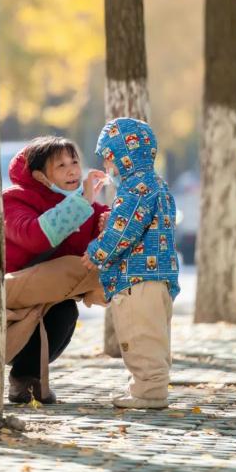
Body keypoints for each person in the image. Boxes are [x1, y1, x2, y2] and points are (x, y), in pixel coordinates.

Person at [82, 117, 180, 410]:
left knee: (139, 335)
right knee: (154, 336)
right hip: (157, 276)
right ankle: (147, 387)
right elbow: (145, 227)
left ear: (124, 155)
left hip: (138, 278)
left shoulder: (136, 188)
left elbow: (124, 232)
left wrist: (97, 251)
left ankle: (149, 392)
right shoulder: (156, 185)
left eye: (110, 159)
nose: (109, 167)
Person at [3, 136, 108, 404]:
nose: (73, 170)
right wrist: (83, 200)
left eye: (74, 161)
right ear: (40, 177)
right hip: (11, 291)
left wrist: (109, 222)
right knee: (73, 267)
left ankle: (25, 380)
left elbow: (105, 220)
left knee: (65, 311)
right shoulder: (13, 200)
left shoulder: (86, 206)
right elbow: (35, 235)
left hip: (49, 298)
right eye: (61, 166)